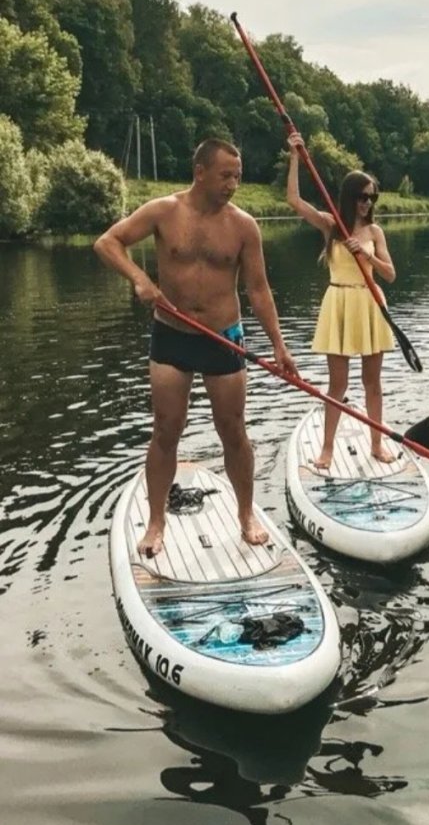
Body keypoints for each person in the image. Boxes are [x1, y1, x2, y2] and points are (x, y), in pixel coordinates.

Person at [94, 138, 298, 558]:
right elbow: (107, 243)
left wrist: (279, 346)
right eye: (226, 175)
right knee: (166, 429)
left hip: (225, 338)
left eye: (238, 177)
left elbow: (258, 289)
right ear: (200, 171)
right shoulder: (163, 211)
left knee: (233, 431)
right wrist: (139, 278)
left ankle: (246, 514)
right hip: (171, 335)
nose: (233, 184)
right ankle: (156, 522)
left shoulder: (244, 226)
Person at [285, 131, 397, 467]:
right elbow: (294, 201)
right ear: (350, 197)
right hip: (340, 303)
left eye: (372, 198)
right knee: (338, 384)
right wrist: (294, 157)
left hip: (370, 302)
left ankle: (377, 444)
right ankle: (327, 448)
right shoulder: (331, 225)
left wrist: (368, 256)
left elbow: (390, 275)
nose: (367, 203)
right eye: (363, 197)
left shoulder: (375, 232)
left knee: (372, 383)